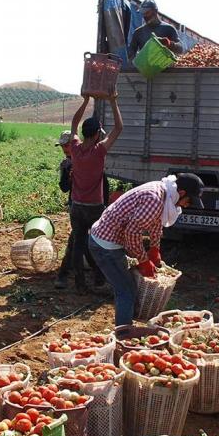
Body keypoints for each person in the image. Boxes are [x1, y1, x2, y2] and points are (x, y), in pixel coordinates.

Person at [89, 173, 205, 326]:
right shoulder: (154, 199)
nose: (186, 206)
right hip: (105, 245)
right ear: (182, 193)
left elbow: (156, 222)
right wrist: (143, 260)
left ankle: (126, 323)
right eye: (188, 201)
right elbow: (132, 234)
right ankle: (123, 333)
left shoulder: (163, 193)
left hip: (111, 240)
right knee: (126, 289)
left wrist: (154, 248)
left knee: (127, 285)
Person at [65, 94, 123, 294]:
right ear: (98, 133)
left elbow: (73, 123)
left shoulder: (75, 148)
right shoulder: (99, 151)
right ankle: (99, 278)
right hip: (95, 207)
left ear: (83, 132)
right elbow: (118, 128)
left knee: (79, 244)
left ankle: (80, 284)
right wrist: (113, 101)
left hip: (77, 205)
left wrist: (85, 100)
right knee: (99, 244)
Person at [53, 130, 111, 289]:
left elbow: (103, 184)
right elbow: (64, 188)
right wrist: (70, 178)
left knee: (82, 242)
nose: (64, 149)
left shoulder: (92, 158)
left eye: (66, 145)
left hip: (93, 206)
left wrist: (104, 205)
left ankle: (70, 276)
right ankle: (73, 276)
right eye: (62, 147)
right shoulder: (66, 164)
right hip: (77, 206)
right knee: (79, 242)